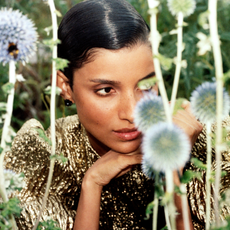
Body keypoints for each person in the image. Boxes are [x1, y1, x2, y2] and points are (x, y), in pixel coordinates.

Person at [4, 0, 204, 229]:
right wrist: (93, 183)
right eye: (106, 90)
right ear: (65, 87)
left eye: (147, 86)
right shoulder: (43, 160)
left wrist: (174, 175)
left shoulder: (200, 141)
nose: (132, 114)